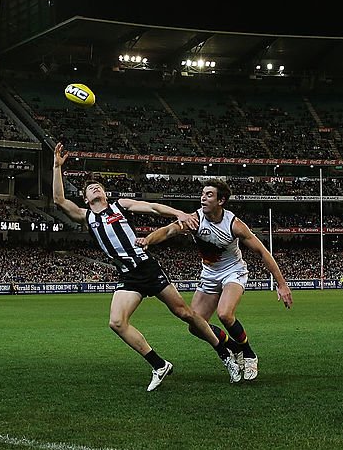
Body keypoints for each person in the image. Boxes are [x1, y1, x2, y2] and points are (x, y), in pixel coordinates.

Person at [52, 143, 239, 390]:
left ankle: (225, 354)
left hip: (147, 267)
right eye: (89, 189)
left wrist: (179, 214)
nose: (94, 188)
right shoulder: (85, 216)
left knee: (185, 314)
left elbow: (153, 207)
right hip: (128, 276)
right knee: (117, 323)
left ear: (105, 194)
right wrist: (56, 167)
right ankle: (159, 365)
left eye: (98, 186)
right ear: (85, 199)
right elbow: (58, 199)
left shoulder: (120, 205)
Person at [141, 179, 292, 382]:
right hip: (209, 275)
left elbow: (262, 252)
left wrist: (281, 285)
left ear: (221, 200)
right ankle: (233, 346)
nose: (203, 197)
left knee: (224, 314)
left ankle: (249, 354)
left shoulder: (234, 225)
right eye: (202, 193)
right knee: (195, 325)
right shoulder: (195, 219)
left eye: (209, 194)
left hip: (233, 272)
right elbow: (168, 230)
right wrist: (147, 240)